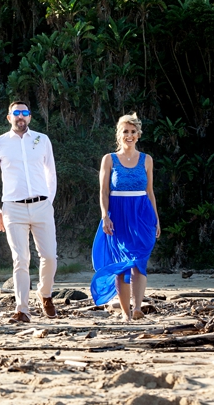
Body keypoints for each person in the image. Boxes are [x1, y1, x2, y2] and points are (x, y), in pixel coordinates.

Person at [0, 101, 58, 323]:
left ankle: (45, 294)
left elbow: (51, 173)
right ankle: (22, 309)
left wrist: (48, 201)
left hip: (42, 206)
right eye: (16, 113)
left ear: (30, 117)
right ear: (9, 118)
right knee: (20, 258)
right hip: (13, 208)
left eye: (25, 113)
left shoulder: (42, 140)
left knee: (49, 257)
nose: (20, 117)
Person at [91, 113, 161, 320]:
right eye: (125, 132)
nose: (129, 135)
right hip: (118, 215)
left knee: (139, 261)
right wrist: (105, 216)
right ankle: (125, 313)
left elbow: (150, 192)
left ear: (138, 135)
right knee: (122, 265)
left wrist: (156, 219)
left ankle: (138, 308)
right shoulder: (109, 159)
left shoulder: (147, 160)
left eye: (133, 132)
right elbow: (103, 192)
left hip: (142, 215)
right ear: (119, 135)